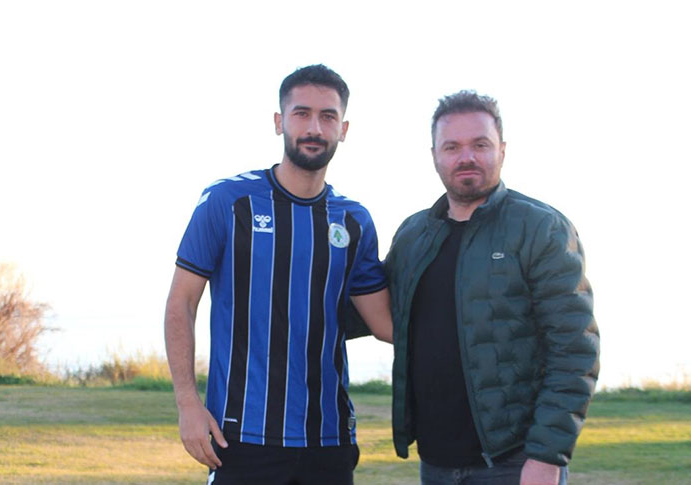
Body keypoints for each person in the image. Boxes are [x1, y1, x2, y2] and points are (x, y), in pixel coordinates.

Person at [164, 64, 392, 485]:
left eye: (327, 117)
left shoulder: (354, 220)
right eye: (301, 113)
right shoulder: (229, 201)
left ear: (343, 129)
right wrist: (187, 404)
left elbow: (387, 324)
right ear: (278, 122)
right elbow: (182, 303)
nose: (314, 128)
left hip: (329, 439)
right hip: (243, 437)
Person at [385, 91, 600, 484]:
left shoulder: (540, 228)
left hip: (513, 461)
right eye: (452, 146)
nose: (466, 157)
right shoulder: (413, 235)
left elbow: (574, 350)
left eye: (480, 144)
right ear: (434, 155)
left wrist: (546, 456)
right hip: (434, 462)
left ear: (502, 149)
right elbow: (376, 309)